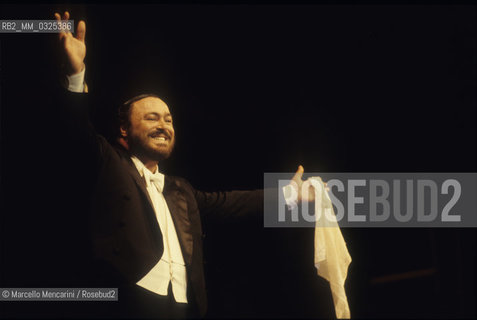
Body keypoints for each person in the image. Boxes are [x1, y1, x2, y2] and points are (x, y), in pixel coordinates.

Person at [51, 11, 312, 319]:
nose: (164, 125)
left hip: (184, 307)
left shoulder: (180, 191)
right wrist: (75, 73)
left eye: (169, 119)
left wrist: (289, 195)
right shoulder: (109, 162)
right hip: (126, 300)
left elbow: (231, 203)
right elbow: (75, 130)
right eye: (152, 118)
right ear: (124, 130)